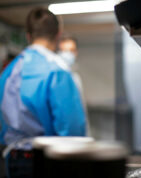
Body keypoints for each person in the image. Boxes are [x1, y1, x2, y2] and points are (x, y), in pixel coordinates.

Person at [0, 7, 86, 146]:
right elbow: (72, 130)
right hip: (47, 160)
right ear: (58, 35)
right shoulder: (58, 71)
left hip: (11, 158)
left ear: (28, 36)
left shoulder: (9, 71)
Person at [58, 35, 90, 135]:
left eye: (71, 50)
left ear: (76, 52)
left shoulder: (76, 78)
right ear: (58, 52)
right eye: (64, 50)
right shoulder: (55, 78)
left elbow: (81, 110)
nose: (68, 54)